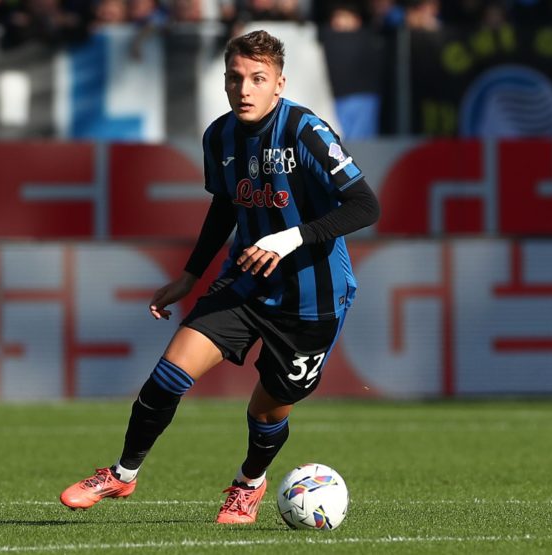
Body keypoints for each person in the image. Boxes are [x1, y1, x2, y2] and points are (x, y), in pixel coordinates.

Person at [59, 29, 380, 524]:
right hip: (246, 283)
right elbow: (225, 205)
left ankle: (249, 484)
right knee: (168, 375)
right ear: (225, 83)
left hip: (312, 299)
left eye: (258, 79)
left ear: (279, 83)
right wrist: (190, 275)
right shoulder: (220, 136)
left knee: (267, 413)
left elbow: (365, 205)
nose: (245, 89)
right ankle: (123, 474)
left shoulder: (305, 131)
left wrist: (291, 237)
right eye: (236, 78)